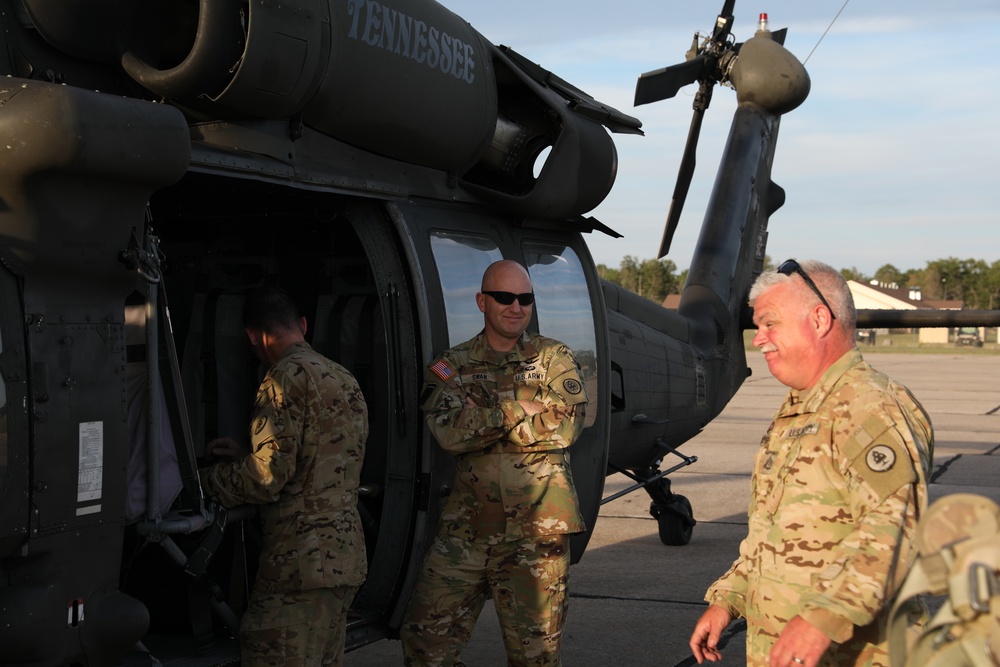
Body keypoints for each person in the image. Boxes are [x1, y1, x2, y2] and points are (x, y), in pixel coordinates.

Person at [689, 259, 934, 667]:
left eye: (770, 324)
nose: (759, 339)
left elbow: (894, 531)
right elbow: (771, 532)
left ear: (820, 319)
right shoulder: (799, 412)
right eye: (758, 327)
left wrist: (822, 619)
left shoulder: (870, 407)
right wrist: (729, 599)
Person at [400, 259, 589, 667]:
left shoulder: (554, 357)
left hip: (536, 536)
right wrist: (518, 408)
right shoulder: (451, 363)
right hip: (466, 532)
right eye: (505, 297)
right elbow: (449, 433)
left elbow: (567, 426)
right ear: (482, 301)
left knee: (535, 658)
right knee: (422, 639)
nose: (515, 307)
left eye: (525, 299)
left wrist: (482, 419)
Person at [200, 285, 368, 667]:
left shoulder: (282, 379)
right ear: (303, 325)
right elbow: (323, 460)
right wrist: (248, 455)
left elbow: (266, 478)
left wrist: (205, 482)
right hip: (344, 557)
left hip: (300, 566)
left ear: (253, 336)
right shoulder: (342, 377)